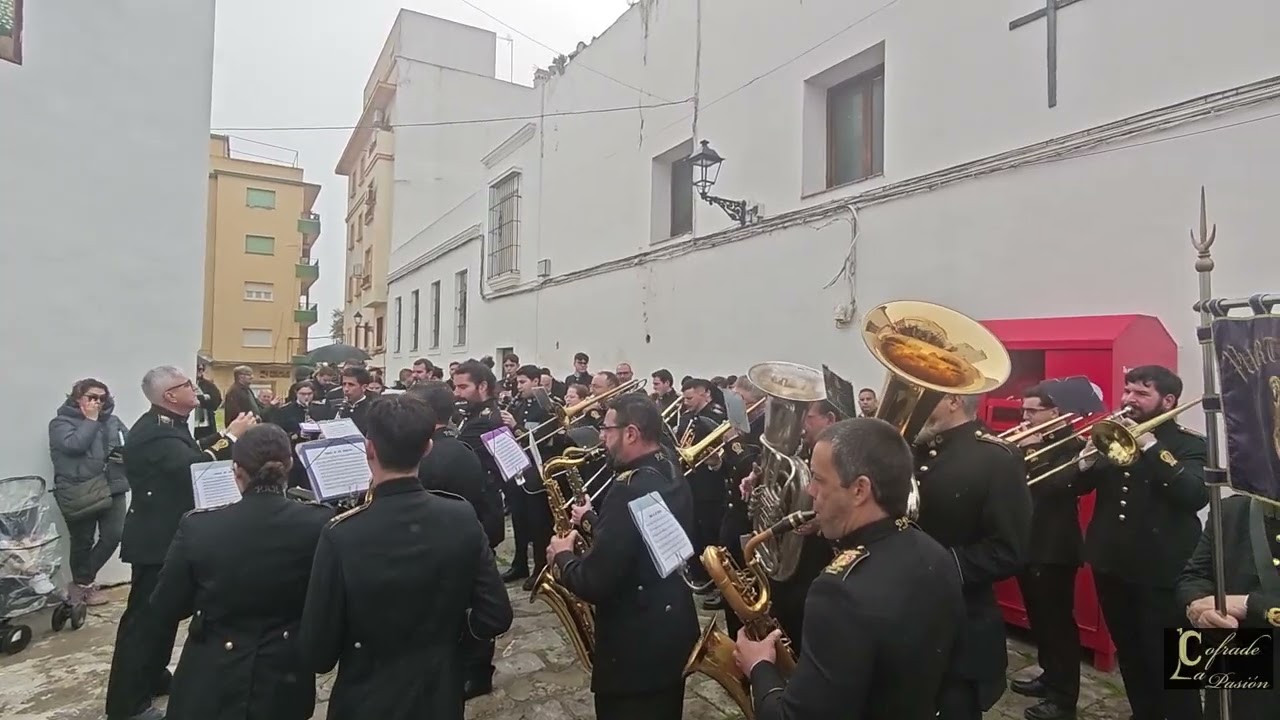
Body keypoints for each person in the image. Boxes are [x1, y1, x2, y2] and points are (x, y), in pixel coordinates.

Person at [298, 393, 512, 720]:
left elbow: (318, 653)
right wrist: (450, 637)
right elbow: (495, 615)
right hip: (439, 692)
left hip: (366, 695)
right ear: (428, 448)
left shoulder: (340, 533)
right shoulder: (460, 516)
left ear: (369, 449)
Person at [733, 418, 965, 719]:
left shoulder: (838, 590)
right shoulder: (935, 552)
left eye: (818, 479)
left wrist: (759, 667)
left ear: (859, 490)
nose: (811, 490)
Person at [149, 424, 334, 720]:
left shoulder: (199, 526)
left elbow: (167, 606)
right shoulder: (320, 522)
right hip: (285, 669)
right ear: (289, 465)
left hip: (212, 669)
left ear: (236, 471)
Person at [104, 365, 256, 720]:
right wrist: (230, 438)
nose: (194, 388)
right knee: (144, 625)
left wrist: (222, 438)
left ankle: (153, 676)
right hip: (155, 541)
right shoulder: (154, 433)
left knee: (163, 617)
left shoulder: (169, 426)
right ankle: (126, 705)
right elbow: (193, 466)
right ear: (170, 396)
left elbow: (189, 451)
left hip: (167, 535)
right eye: (186, 384)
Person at [548, 393, 699, 720]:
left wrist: (562, 558)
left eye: (606, 429)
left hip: (635, 653)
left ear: (630, 433)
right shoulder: (668, 464)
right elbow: (644, 535)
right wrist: (591, 520)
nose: (601, 437)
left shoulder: (627, 489)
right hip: (670, 633)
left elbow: (594, 582)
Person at [1075, 365, 1207, 720]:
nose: (1129, 399)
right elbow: (1077, 488)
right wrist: (1085, 460)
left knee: (1171, 658)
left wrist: (1149, 445)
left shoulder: (1190, 444)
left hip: (1161, 570)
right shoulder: (1111, 436)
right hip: (1112, 563)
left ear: (1168, 401)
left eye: (1141, 393)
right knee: (1130, 651)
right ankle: (1143, 712)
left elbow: (1195, 495)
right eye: (1128, 391)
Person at [912, 394, 1032, 720]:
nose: (913, 404)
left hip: (957, 624)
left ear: (953, 400)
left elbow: (1009, 550)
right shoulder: (909, 448)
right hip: (901, 622)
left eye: (924, 395)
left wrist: (934, 566)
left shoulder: (997, 459)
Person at [1010, 384, 1086, 720]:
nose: (1025, 418)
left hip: (1055, 547)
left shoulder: (1073, 444)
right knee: (1039, 620)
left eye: (1032, 411)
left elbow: (1059, 485)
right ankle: (1048, 676)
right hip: (1028, 542)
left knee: (1058, 625)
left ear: (1054, 413)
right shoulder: (1031, 440)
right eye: (1024, 411)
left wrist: (1034, 450)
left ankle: (1064, 698)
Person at [1175, 494, 1280, 719]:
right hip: (1240, 651)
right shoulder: (1231, 509)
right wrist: (1198, 609)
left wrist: (1250, 605)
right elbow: (1195, 575)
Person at [48, 377, 131, 606]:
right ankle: (83, 587)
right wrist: (91, 421)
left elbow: (130, 443)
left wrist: (126, 454)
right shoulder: (60, 423)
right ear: (77, 398)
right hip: (81, 489)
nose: (98, 402)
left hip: (113, 486)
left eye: (102, 399)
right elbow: (74, 446)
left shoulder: (113, 421)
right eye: (92, 397)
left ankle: (82, 582)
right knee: (82, 540)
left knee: (114, 535)